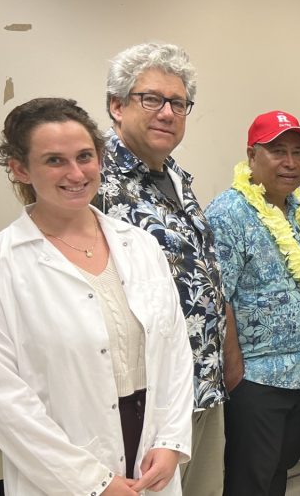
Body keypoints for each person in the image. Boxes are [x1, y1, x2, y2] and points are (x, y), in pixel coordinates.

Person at [0, 98, 193, 495]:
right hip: (63, 466)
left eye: (85, 156)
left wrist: (171, 441)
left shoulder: (140, 245)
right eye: (55, 160)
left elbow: (175, 351)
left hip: (150, 449)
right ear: (20, 168)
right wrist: (92, 482)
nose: (75, 173)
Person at [97, 42, 228, 495]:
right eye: (150, 99)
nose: (167, 112)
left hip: (202, 385)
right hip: (142, 400)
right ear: (116, 105)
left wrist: (226, 349)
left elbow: (203, 274)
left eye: (178, 103)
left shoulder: (175, 176)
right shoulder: (95, 182)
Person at [205, 110, 300, 495]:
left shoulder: (297, 209)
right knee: (251, 480)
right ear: (251, 155)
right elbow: (217, 296)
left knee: (279, 470)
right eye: (278, 151)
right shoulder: (228, 214)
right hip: (256, 378)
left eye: (298, 152)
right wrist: (234, 370)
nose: (290, 163)